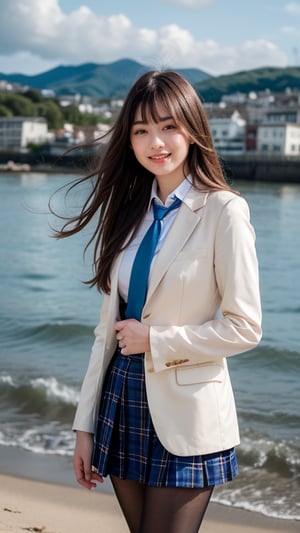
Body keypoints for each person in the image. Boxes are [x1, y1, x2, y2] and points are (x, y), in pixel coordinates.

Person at [54, 70, 262, 532]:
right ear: (128, 140)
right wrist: (83, 427)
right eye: (141, 130)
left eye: (168, 126)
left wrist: (157, 339)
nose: (156, 142)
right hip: (121, 395)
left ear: (193, 128)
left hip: (187, 415)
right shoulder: (128, 213)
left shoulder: (224, 211)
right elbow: (104, 335)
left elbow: (245, 326)